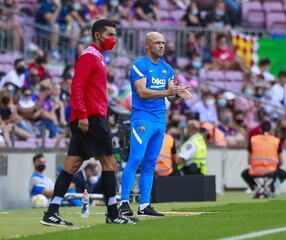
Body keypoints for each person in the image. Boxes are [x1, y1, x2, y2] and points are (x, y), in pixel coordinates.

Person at [41, 19, 137, 227]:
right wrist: (83, 114)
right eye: (110, 34)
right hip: (91, 119)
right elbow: (77, 86)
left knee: (71, 165)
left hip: (90, 117)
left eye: (114, 35)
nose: (114, 39)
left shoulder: (98, 57)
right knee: (110, 163)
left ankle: (52, 212)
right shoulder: (90, 56)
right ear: (98, 35)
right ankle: (112, 213)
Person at [119, 32, 192, 217]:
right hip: (142, 119)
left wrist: (177, 93)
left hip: (160, 120)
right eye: (157, 43)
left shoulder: (167, 68)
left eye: (163, 43)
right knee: (135, 159)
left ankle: (144, 205)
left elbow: (171, 97)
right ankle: (124, 203)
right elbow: (142, 92)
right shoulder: (139, 65)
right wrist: (168, 91)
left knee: (151, 162)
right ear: (147, 45)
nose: (161, 46)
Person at [242, 121, 286, 194]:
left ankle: (256, 187)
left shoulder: (253, 140)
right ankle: (271, 187)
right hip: (271, 171)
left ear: (260, 130)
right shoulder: (276, 141)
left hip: (255, 171)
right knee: (284, 174)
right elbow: (281, 162)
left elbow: (249, 161)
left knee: (244, 174)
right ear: (270, 130)